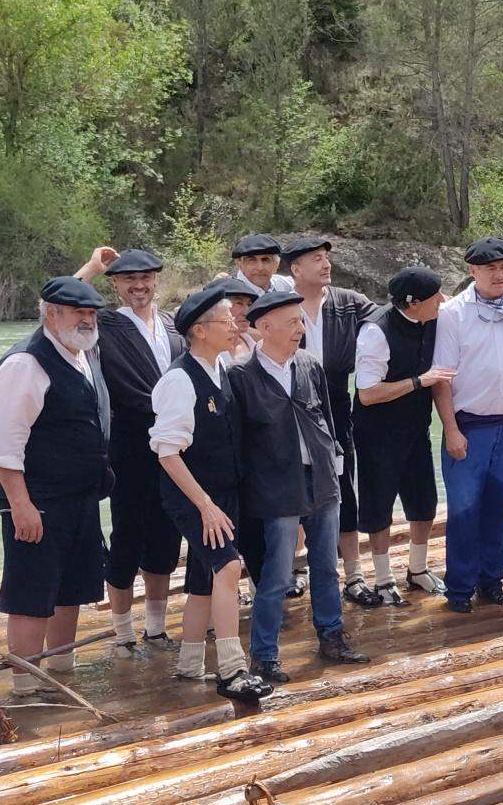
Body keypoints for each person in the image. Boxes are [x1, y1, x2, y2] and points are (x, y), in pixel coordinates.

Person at [227, 290, 372, 681]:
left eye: (301, 321)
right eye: (291, 322)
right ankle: (265, 656)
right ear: (264, 327)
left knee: (327, 565)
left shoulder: (309, 365)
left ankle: (332, 637)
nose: (300, 328)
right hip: (276, 487)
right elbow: (236, 443)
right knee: (275, 575)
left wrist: (337, 455)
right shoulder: (240, 377)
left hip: (322, 478)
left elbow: (326, 414)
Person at [0, 277, 113, 699]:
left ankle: (62, 669)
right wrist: (21, 505)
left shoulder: (81, 354)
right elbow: (4, 447)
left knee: (72, 584)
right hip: (37, 499)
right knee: (31, 591)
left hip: (79, 496)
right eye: (79, 313)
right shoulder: (25, 363)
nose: (87, 320)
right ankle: (24, 686)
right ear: (50, 313)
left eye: (92, 313)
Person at [149, 285, 274, 702]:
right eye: (226, 322)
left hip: (225, 492)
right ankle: (232, 670)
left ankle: (188, 664)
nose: (236, 326)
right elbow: (167, 454)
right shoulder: (180, 380)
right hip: (194, 496)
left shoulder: (221, 368)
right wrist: (204, 505)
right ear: (200, 331)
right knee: (228, 567)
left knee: (204, 579)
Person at [431, 236, 503, 613]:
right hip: (468, 425)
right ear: (472, 271)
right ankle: (459, 589)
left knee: (499, 507)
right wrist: (450, 429)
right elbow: (442, 377)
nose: (498, 275)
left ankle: (491, 581)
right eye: (489, 269)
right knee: (464, 510)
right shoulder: (454, 314)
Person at [74, 246, 184, 649]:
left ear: (156, 280)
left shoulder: (173, 325)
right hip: (129, 444)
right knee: (127, 536)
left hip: (174, 444)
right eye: (128, 280)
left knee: (166, 537)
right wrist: (91, 267)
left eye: (145, 278)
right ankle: (122, 633)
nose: (139, 286)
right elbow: (60, 305)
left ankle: (156, 627)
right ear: (116, 285)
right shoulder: (103, 325)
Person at [279, 237, 379, 609]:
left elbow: (386, 316)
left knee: (343, 489)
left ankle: (354, 574)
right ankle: (291, 570)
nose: (325, 265)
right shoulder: (281, 305)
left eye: (326, 258)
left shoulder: (347, 301)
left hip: (337, 402)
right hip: (290, 406)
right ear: (295, 269)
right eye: (315, 259)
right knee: (294, 487)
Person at [352, 267, 455, 605]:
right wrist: (418, 381)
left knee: (424, 501)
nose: (442, 300)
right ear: (413, 304)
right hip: (376, 434)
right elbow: (367, 393)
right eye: (435, 296)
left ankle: (417, 569)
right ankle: (383, 579)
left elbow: (462, 301)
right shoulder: (375, 332)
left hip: (416, 428)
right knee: (378, 507)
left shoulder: (431, 315)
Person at [230, 233, 296, 297]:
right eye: (251, 260)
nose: (260, 268)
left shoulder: (282, 285)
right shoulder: (230, 294)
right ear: (239, 264)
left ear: (276, 265)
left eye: (265, 260)